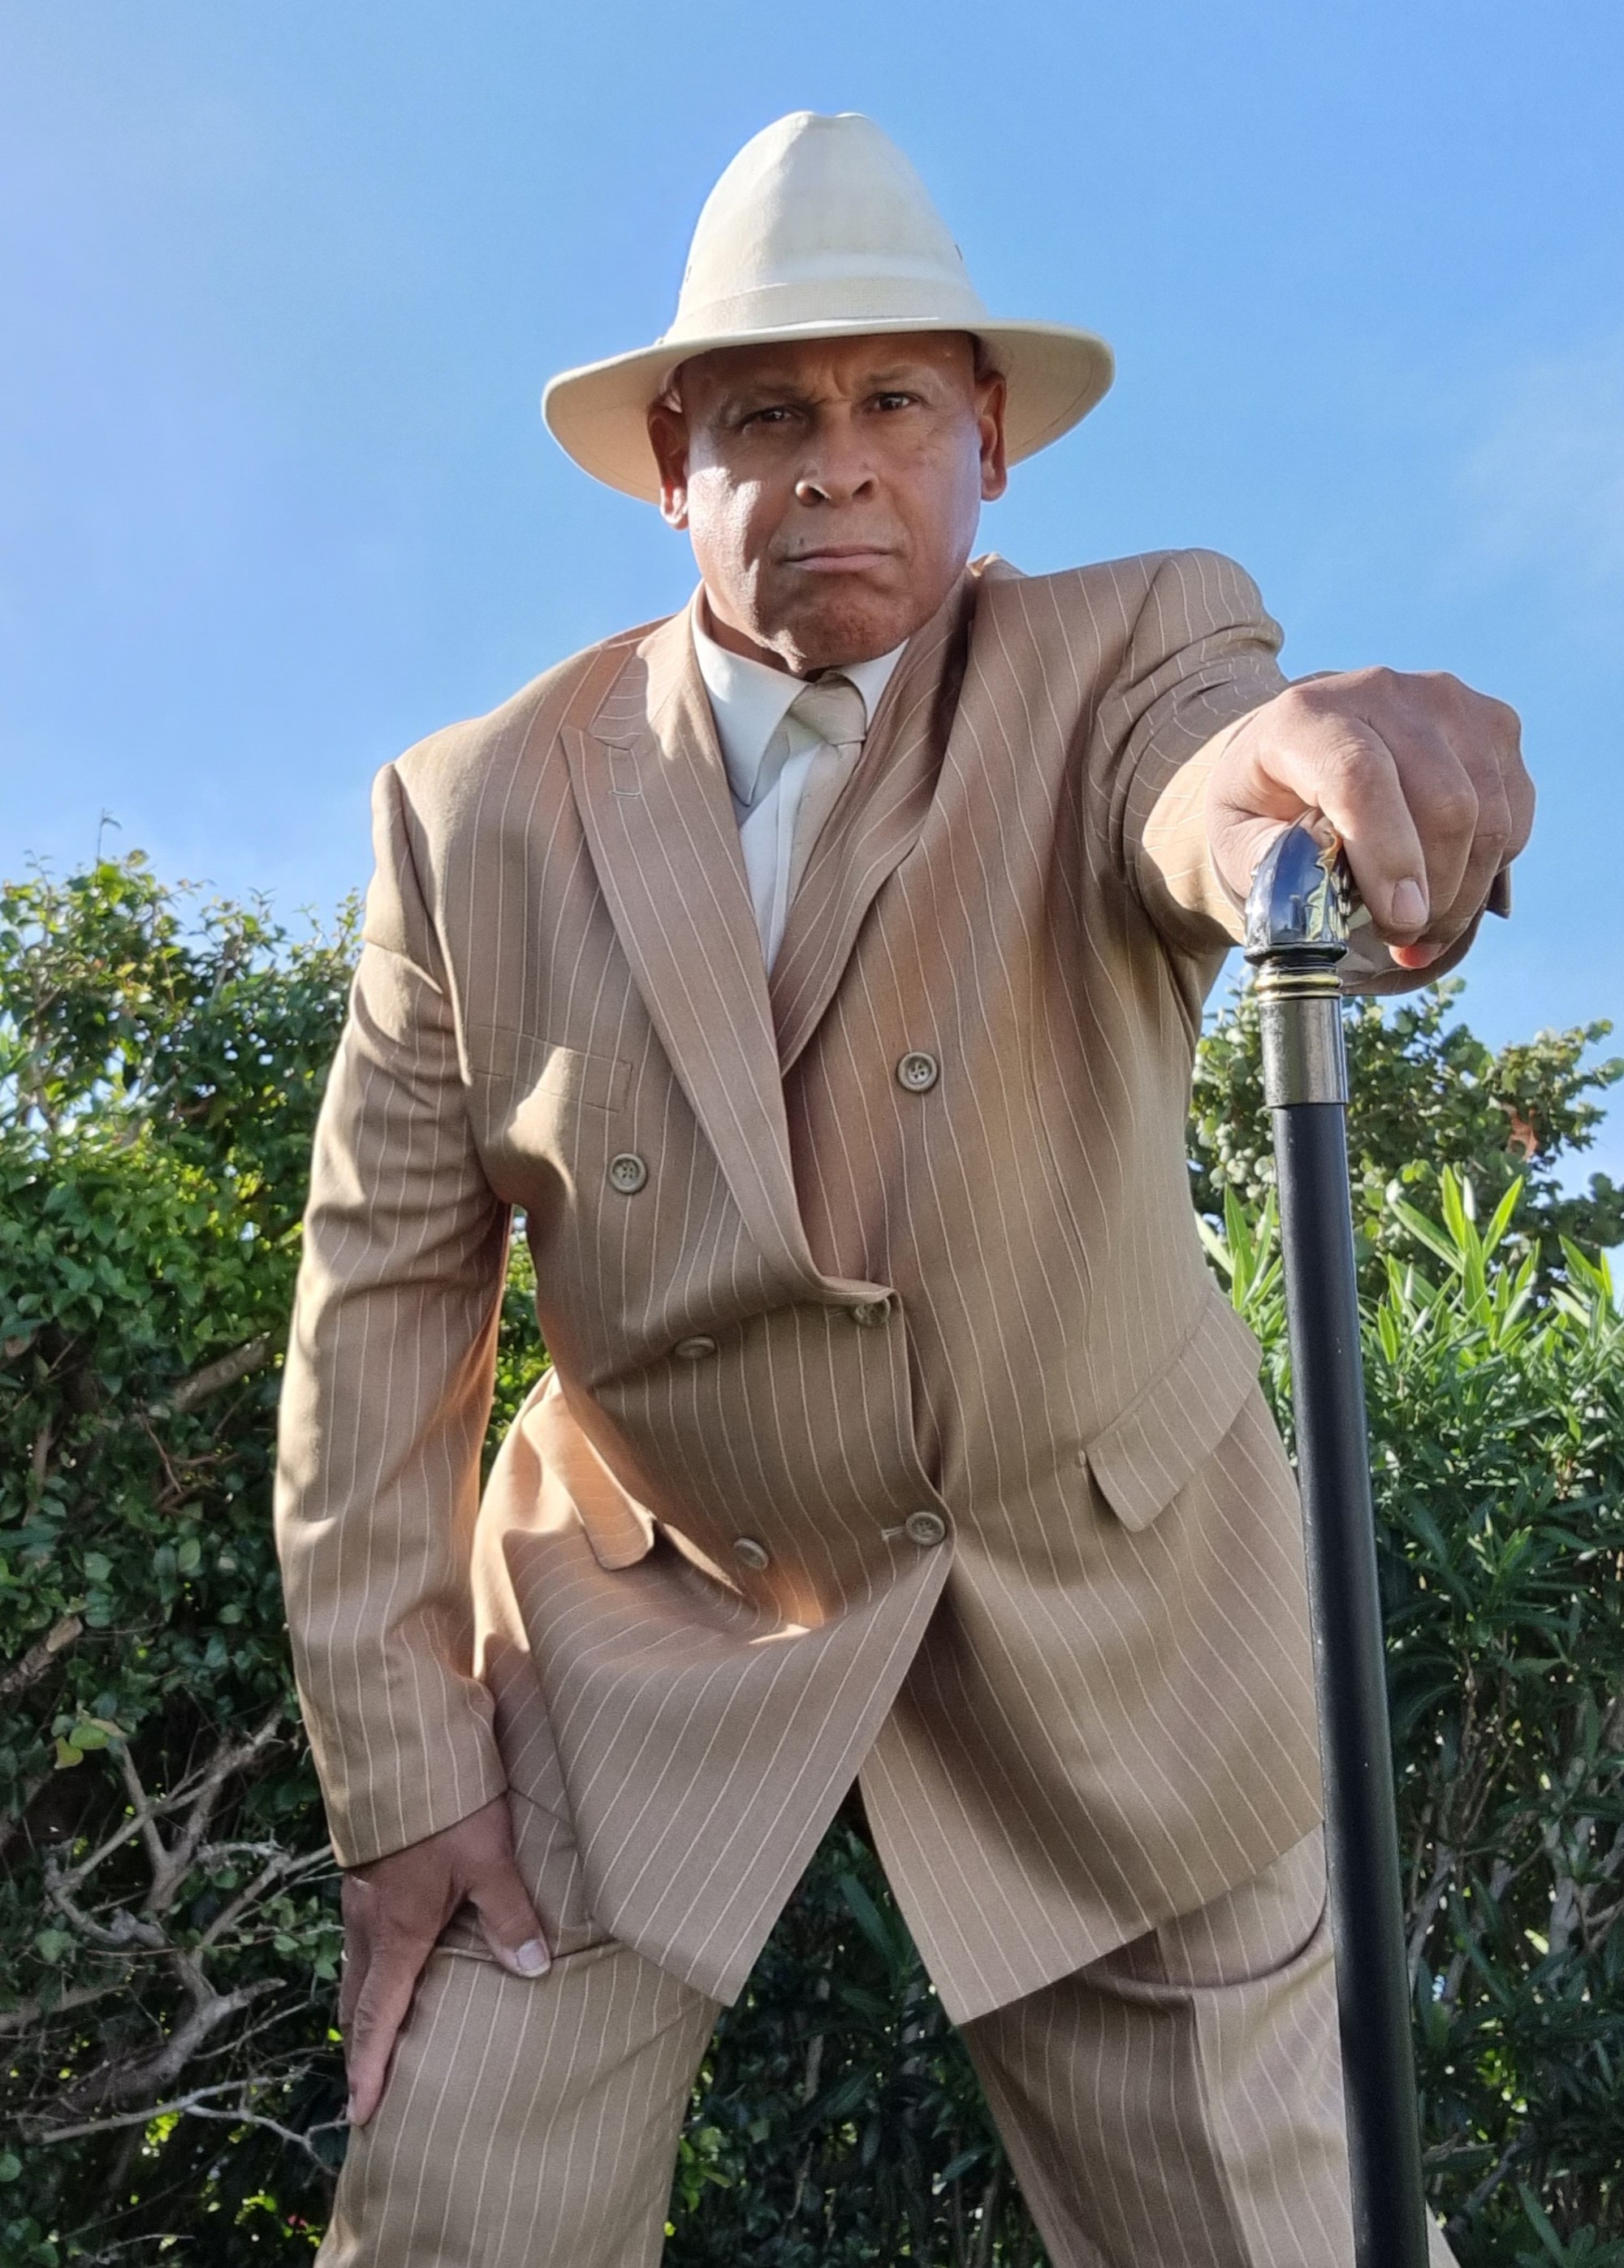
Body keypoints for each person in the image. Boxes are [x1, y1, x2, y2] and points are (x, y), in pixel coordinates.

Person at [274, 110, 1532, 2268]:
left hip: (1109, 1599)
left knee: (1269, 2233)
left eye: (895, 407)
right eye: (769, 416)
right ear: (673, 461)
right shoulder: (466, 816)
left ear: (992, 444)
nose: (836, 467)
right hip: (645, 1606)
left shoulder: (1135, 646)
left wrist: (1308, 780)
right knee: (458, 2202)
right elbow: (378, 1324)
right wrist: (406, 1783)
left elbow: (1211, 771)